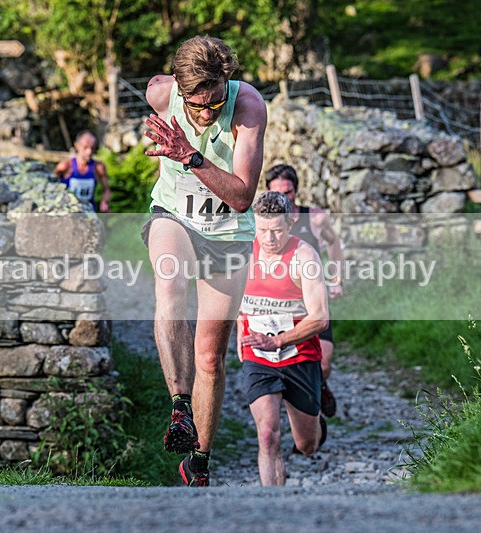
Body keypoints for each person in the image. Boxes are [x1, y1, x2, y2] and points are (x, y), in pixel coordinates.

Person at [141, 35, 267, 487]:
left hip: (228, 234)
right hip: (174, 214)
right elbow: (152, 123)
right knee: (169, 283)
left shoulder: (248, 106)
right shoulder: (160, 92)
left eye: (215, 103)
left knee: (210, 355)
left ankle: (199, 458)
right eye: (198, 105)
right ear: (178, 87)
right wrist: (153, 136)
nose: (208, 113)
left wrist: (189, 155)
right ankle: (179, 406)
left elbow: (241, 196)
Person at [238, 191, 330, 486]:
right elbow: (229, 304)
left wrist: (279, 341)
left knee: (307, 445)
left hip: (300, 355)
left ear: (290, 223)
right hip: (258, 357)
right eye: (262, 229)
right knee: (267, 435)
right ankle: (273, 508)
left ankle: (316, 424)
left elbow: (320, 317)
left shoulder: (304, 256)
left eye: (277, 230)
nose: (269, 238)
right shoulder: (241, 254)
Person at [265, 164, 343, 418]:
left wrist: (336, 278)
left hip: (313, 302)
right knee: (282, 359)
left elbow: (333, 244)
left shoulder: (315, 217)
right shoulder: (263, 223)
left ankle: (319, 385)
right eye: (276, 193)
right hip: (278, 304)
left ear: (295, 191)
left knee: (324, 361)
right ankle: (298, 406)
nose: (282, 198)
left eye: (287, 193)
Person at [53, 130, 111, 212]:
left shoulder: (98, 167)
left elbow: (107, 191)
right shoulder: (65, 166)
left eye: (92, 148)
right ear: (77, 146)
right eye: (85, 147)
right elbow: (51, 185)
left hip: (89, 212)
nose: (89, 152)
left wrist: (104, 202)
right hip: (68, 212)